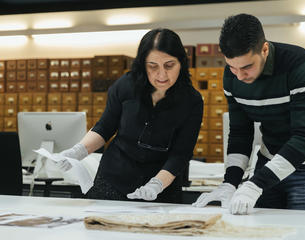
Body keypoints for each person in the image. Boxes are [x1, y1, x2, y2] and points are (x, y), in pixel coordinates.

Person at [193, 13, 305, 214]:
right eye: (232, 67)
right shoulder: (233, 76)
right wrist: (230, 182)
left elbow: (304, 139)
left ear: (264, 49)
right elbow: (240, 134)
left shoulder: (300, 64)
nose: (240, 75)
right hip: (270, 159)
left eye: (247, 67)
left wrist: (254, 185)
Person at [57, 28, 203, 203]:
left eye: (169, 65)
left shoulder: (191, 101)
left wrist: (157, 184)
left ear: (181, 63)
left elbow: (181, 153)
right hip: (113, 180)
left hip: (161, 188)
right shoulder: (125, 86)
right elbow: (105, 127)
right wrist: (78, 151)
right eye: (153, 66)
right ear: (142, 64)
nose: (162, 74)